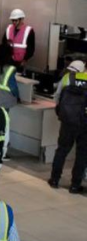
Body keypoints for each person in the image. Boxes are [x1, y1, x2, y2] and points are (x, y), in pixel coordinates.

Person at [49, 61, 87, 193]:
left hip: (68, 121)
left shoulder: (67, 78)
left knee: (62, 150)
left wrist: (61, 111)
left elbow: (57, 97)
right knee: (82, 154)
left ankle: (54, 180)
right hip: (85, 123)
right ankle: (75, 185)